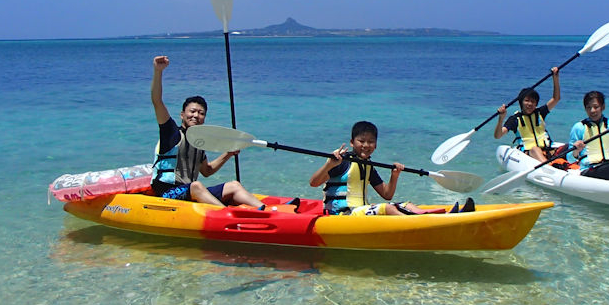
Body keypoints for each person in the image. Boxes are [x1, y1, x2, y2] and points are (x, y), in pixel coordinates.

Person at [150, 55, 291, 209]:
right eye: (192, 111)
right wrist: (158, 72)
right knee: (197, 186)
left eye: (201, 113)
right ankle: (226, 215)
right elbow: (157, 101)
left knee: (234, 185)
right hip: (167, 194)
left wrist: (228, 153)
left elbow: (207, 171)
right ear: (182, 115)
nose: (196, 115)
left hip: (190, 192)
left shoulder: (199, 141)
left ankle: (268, 211)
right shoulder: (171, 134)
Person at [310, 121, 475, 216]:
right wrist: (329, 164)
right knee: (388, 207)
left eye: (371, 141)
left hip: (361, 211)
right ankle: (418, 225)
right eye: (361, 141)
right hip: (343, 215)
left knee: (406, 204)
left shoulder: (369, 167)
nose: (366, 145)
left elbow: (387, 194)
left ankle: (440, 215)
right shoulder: (341, 162)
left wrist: (394, 175)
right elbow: (314, 183)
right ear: (352, 142)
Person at [493, 67, 567, 163]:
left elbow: (556, 98)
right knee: (535, 149)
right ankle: (550, 167)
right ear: (521, 102)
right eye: (527, 100)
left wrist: (555, 78)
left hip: (547, 150)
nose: (530, 104)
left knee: (570, 146)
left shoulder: (540, 112)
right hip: (528, 153)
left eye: (533, 101)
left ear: (536, 104)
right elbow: (498, 136)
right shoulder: (515, 119)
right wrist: (501, 119)